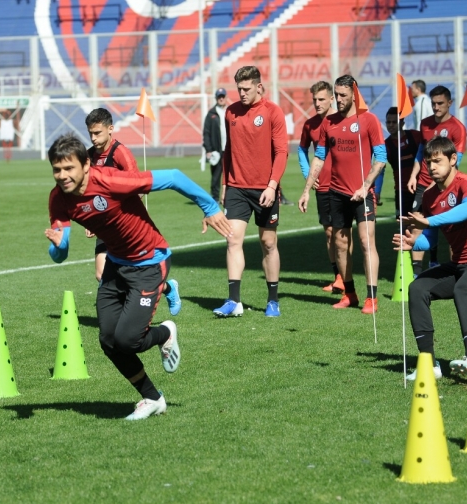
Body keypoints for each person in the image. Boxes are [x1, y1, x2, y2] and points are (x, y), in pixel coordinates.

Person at [45, 133, 231, 420]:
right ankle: (152, 398)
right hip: (116, 266)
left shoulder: (110, 181)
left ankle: (166, 332)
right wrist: (58, 247)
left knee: (128, 341)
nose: (62, 175)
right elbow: (62, 252)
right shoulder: (58, 199)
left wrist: (210, 208)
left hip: (149, 262)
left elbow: (173, 176)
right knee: (108, 341)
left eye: (69, 168)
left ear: (85, 164)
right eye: (57, 169)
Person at [393, 137, 467, 381]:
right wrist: (413, 243)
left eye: (438, 161)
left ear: (453, 160)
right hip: (459, 265)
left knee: (464, 290)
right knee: (417, 288)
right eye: (429, 162)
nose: (432, 167)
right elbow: (430, 241)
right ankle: (428, 365)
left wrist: (428, 221)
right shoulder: (431, 196)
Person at [298, 75, 387, 314]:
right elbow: (318, 157)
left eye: (343, 95)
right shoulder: (329, 123)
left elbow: (381, 158)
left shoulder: (369, 120)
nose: (338, 99)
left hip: (363, 193)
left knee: (367, 242)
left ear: (354, 94)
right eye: (336, 95)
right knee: (339, 243)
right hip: (335, 193)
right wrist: (306, 190)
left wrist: (366, 185)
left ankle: (372, 297)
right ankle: (350, 294)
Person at [84, 108, 181, 315]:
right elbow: (89, 191)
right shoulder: (89, 156)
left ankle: (167, 288)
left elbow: (136, 185)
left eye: (97, 133)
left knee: (132, 276)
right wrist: (91, 221)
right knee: (101, 273)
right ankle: (124, 310)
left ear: (111, 129)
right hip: (105, 226)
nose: (93, 138)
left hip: (125, 225)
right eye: (90, 133)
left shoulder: (121, 153)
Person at [212, 66, 288, 318]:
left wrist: (272, 185)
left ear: (258, 86)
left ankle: (273, 300)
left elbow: (281, 152)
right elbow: (228, 150)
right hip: (236, 188)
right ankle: (234, 301)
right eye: (239, 89)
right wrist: (224, 185)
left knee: (268, 243)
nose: (242, 93)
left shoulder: (272, 112)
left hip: (265, 189)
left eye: (246, 89)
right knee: (233, 239)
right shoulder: (231, 112)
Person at [408, 85, 467, 269]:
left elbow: (455, 162)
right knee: (417, 225)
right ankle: (418, 273)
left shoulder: (458, 128)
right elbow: (420, 151)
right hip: (422, 185)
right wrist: (413, 175)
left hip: (448, 187)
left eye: (440, 103)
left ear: (450, 103)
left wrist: (435, 184)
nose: (436, 107)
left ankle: (456, 270)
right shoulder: (425, 123)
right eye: (434, 103)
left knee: (452, 230)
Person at [298, 80, 346, 293]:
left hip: (344, 184)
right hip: (323, 186)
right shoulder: (309, 125)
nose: (317, 103)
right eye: (314, 100)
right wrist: (308, 174)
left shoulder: (342, 121)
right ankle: (338, 277)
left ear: (331, 99)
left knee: (342, 233)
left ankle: (347, 276)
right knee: (328, 232)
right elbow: (301, 150)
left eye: (321, 99)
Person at [385, 106, 425, 276]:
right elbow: (380, 169)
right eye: (388, 122)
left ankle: (422, 266)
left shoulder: (415, 136)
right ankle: (405, 265)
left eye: (394, 122)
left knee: (418, 225)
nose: (391, 125)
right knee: (403, 226)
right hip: (400, 191)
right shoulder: (386, 145)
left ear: (402, 122)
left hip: (419, 188)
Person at [203, 87, 228, 201]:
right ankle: (215, 197)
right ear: (216, 98)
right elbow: (206, 132)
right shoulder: (211, 113)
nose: (221, 99)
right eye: (219, 97)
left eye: (223, 96)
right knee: (216, 176)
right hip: (216, 150)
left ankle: (230, 196)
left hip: (229, 149)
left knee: (231, 175)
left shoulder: (230, 111)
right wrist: (208, 149)